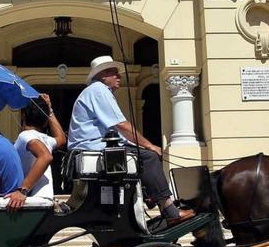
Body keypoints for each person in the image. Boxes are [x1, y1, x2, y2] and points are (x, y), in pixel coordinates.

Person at [68, 55, 195, 225]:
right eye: (115, 73)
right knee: (148, 157)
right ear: (103, 75)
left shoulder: (95, 91)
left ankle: (151, 197)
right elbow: (122, 125)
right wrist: (150, 145)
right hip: (93, 148)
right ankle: (169, 209)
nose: (119, 77)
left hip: (92, 147)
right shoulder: (99, 90)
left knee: (141, 155)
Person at [4, 93, 67, 209]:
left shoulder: (25, 136)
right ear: (45, 122)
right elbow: (62, 139)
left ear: (23, 116)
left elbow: (46, 156)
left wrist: (23, 190)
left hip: (28, 201)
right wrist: (50, 110)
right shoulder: (45, 139)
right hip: (44, 199)